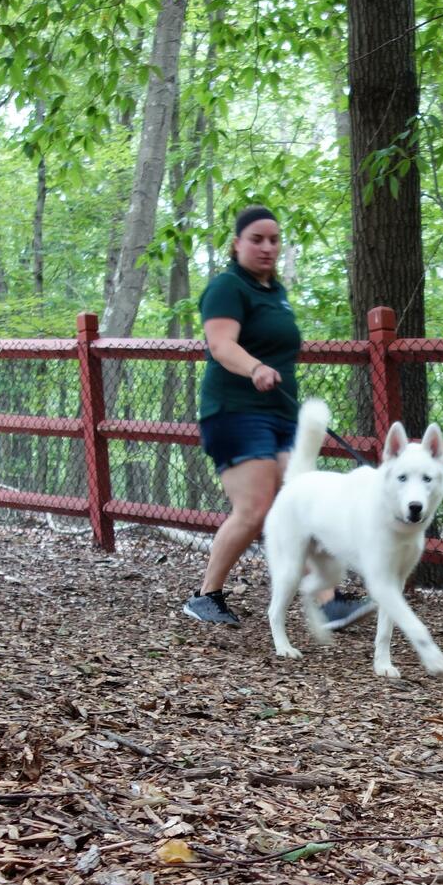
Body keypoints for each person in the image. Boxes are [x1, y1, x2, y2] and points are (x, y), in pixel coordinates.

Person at [182, 206, 373, 629]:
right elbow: (221, 345)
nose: (267, 247)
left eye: (273, 239)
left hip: (281, 416)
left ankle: (327, 602)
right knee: (256, 508)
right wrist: (254, 368)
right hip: (233, 413)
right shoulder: (227, 288)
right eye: (257, 239)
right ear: (237, 244)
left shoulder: (277, 293)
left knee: (304, 502)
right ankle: (205, 596)